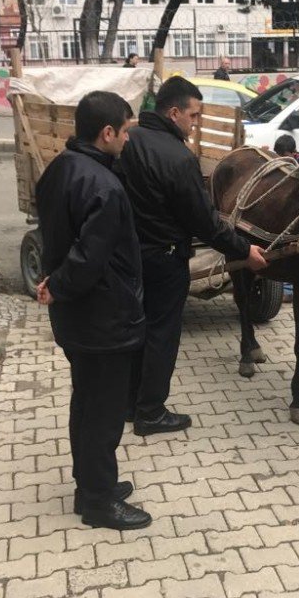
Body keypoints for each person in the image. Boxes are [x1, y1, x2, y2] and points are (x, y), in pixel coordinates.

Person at [118, 76, 267, 436]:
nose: (195, 123)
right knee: (162, 334)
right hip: (166, 259)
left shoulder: (130, 141)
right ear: (174, 113)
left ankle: (129, 403)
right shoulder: (179, 158)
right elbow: (205, 223)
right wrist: (244, 250)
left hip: (132, 254)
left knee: (138, 329)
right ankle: (151, 412)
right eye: (194, 115)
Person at [34, 91, 151, 531]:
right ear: (107, 133)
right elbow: (87, 257)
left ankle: (91, 484)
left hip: (80, 319)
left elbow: (58, 242)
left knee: (86, 402)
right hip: (103, 318)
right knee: (102, 413)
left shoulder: (60, 168)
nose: (127, 139)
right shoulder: (103, 185)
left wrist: (55, 289)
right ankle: (98, 503)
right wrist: (58, 288)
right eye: (124, 131)